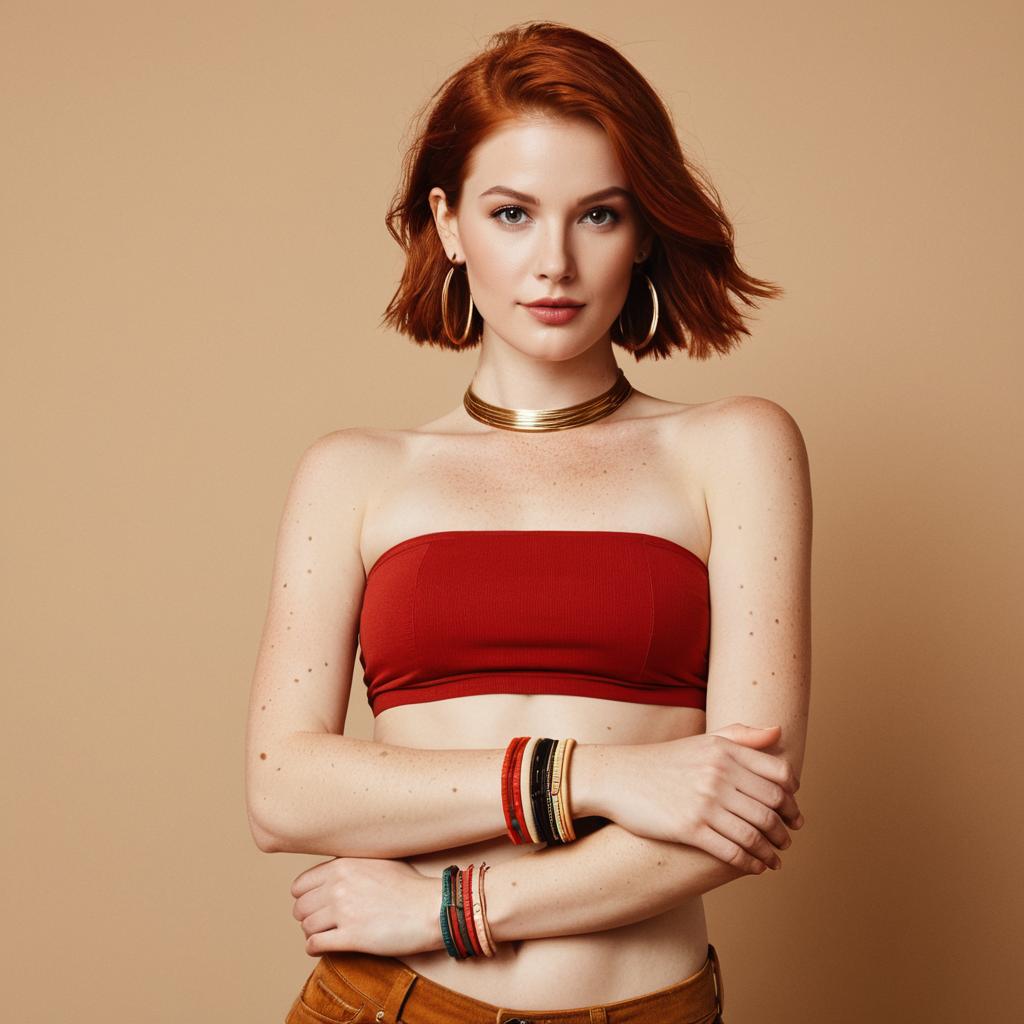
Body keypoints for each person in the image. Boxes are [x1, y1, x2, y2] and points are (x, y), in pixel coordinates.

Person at [245, 20, 811, 1024]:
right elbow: (284, 789)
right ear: (449, 223)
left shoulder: (736, 448)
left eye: (597, 214)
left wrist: (451, 905)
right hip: (387, 1004)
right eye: (511, 213)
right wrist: (602, 774)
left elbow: (737, 808)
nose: (553, 260)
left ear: (642, 232)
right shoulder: (355, 472)